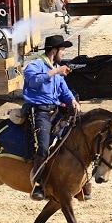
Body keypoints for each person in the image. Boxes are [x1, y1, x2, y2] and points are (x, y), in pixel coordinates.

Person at [22, 34, 81, 201]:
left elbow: (64, 91)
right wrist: (56, 71)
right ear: (54, 51)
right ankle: (38, 183)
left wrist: (73, 101)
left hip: (55, 111)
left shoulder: (57, 68)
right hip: (38, 111)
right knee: (43, 144)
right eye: (62, 50)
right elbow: (33, 81)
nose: (63, 53)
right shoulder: (35, 64)